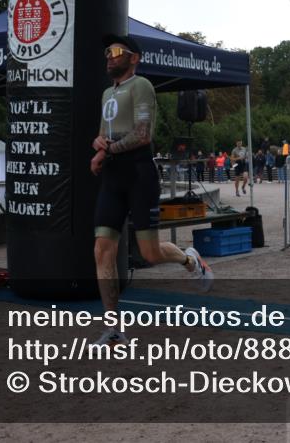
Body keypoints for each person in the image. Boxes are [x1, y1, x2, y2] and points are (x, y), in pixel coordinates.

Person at [91, 34, 212, 346]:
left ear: (134, 58)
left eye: (117, 51)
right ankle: (113, 326)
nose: (109, 56)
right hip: (113, 176)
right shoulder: (107, 93)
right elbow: (103, 134)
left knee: (150, 252)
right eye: (108, 51)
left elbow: (143, 135)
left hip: (138, 173)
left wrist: (110, 149)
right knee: (102, 249)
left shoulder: (141, 85)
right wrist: (98, 148)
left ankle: (190, 260)